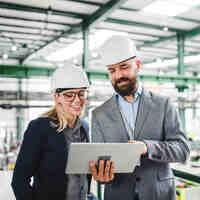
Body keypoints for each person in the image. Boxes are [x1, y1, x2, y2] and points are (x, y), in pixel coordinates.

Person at [90, 35, 190, 200]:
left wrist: (147, 147)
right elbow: (99, 163)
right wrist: (100, 176)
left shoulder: (163, 104)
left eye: (124, 67)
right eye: (112, 70)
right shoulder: (99, 114)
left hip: (159, 194)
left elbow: (182, 150)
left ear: (137, 65)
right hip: (118, 194)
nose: (118, 75)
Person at [11, 66, 91, 200]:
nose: (77, 100)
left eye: (81, 93)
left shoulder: (85, 127)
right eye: (69, 95)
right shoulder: (39, 128)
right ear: (57, 96)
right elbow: (19, 181)